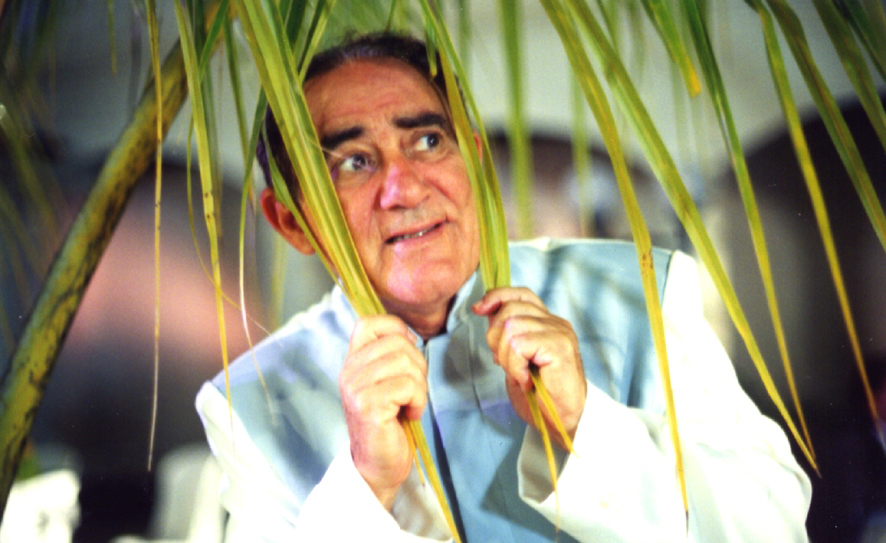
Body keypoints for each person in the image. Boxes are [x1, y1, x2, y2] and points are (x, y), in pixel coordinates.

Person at [196, 32, 811, 542]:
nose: (404, 188)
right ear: (291, 221)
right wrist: (364, 486)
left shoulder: (640, 291)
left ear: (476, 161)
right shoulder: (248, 404)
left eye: (428, 141)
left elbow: (774, 527)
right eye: (354, 162)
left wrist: (585, 425)